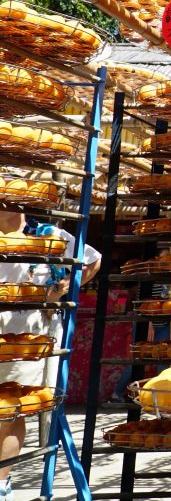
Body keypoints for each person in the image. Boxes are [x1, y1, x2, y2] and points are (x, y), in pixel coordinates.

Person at [0, 211, 101, 500]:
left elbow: (92, 260)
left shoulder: (47, 235)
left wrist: (59, 290)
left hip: (26, 333)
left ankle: (1, 483)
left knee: (10, 407)